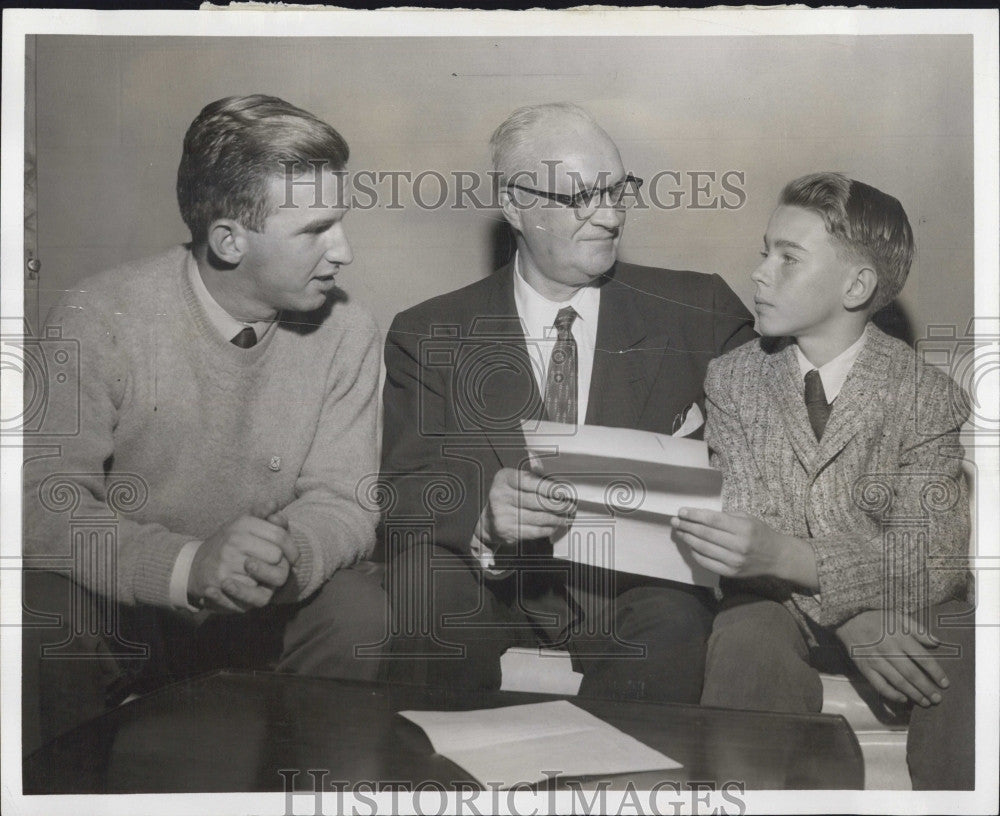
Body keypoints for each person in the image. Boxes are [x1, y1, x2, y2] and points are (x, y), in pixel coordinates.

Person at [22, 95, 387, 753]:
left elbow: (347, 502)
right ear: (228, 240)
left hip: (263, 612)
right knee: (43, 617)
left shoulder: (348, 330)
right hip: (126, 607)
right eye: (315, 230)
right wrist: (187, 565)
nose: (344, 252)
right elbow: (43, 505)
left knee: (356, 610)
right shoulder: (98, 316)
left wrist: (287, 555)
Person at [378, 102, 755, 702]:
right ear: (515, 206)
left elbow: (775, 451)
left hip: (639, 595)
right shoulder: (429, 332)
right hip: (492, 591)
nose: (610, 216)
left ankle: (621, 793)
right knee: (428, 589)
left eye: (619, 189)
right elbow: (405, 492)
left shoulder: (701, 313)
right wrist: (482, 516)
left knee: (674, 618)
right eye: (581, 196)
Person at [671, 172, 974, 788]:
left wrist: (794, 560)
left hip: (902, 604)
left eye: (789, 258)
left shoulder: (925, 393)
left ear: (857, 286)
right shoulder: (734, 379)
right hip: (775, 606)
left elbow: (934, 560)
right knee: (746, 637)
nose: (759, 272)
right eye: (765, 251)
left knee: (967, 645)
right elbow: (747, 534)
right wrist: (846, 613)